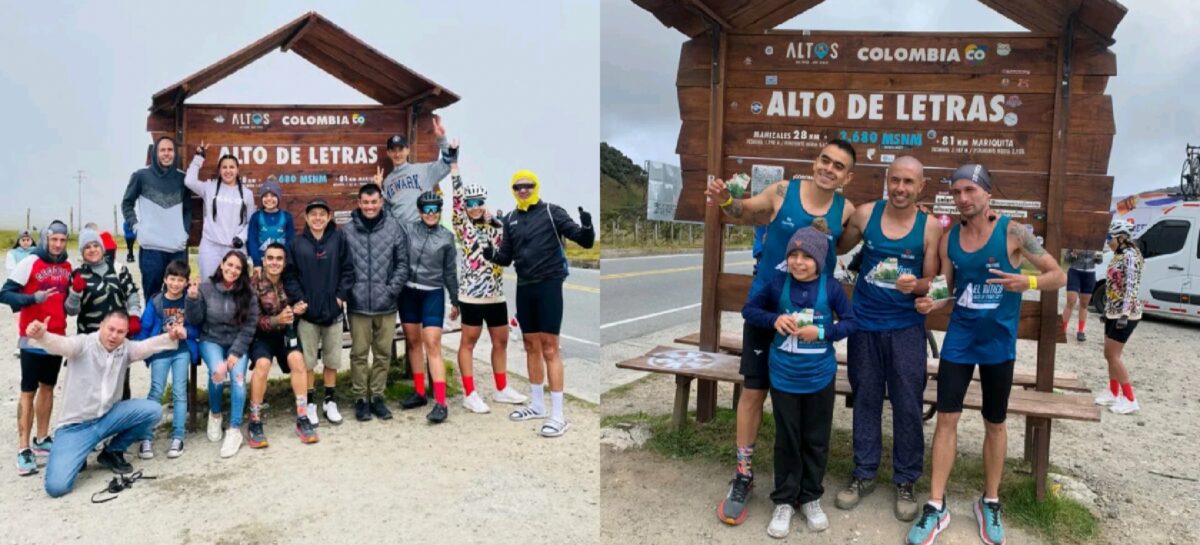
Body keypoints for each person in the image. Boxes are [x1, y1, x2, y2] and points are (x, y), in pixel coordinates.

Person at [905, 164, 1065, 545]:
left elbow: (1056, 275)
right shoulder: (949, 240)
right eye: (957, 192)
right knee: (947, 420)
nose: (963, 198)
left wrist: (1024, 281)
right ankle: (935, 505)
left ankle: (990, 501)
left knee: (995, 423)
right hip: (960, 341)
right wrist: (931, 302)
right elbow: (948, 287)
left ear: (987, 194)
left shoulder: (1013, 232)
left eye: (969, 191)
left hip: (997, 345)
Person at [705, 140, 858, 525]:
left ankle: (803, 491)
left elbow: (850, 244)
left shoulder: (847, 210)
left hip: (812, 319)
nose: (828, 168)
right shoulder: (782, 191)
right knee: (754, 392)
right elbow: (742, 211)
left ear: (847, 176)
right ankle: (743, 474)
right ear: (815, 160)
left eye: (838, 166)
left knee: (805, 409)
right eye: (825, 159)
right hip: (768, 305)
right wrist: (725, 200)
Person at [832, 156, 941, 521]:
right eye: (895, 180)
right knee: (865, 399)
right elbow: (833, 244)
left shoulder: (929, 228)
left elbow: (934, 283)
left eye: (909, 182)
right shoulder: (865, 215)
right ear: (886, 180)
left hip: (907, 329)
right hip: (864, 325)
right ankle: (863, 474)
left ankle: (906, 480)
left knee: (908, 404)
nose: (900, 188)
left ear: (920, 186)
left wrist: (919, 287)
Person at [742, 222, 857, 538]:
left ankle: (810, 497)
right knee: (787, 439)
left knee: (816, 439)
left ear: (819, 260)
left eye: (807, 256)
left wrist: (821, 332)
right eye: (793, 254)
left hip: (820, 376)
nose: (798, 261)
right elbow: (749, 310)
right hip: (784, 376)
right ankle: (784, 500)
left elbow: (850, 323)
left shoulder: (830, 288)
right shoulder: (778, 284)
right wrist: (774, 318)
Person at [481, 169, 595, 437]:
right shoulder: (510, 219)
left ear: (536, 186)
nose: (523, 190)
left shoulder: (552, 212)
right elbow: (507, 258)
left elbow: (585, 241)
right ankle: (537, 404)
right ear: (513, 190)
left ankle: (558, 415)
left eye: (528, 186)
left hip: (549, 285)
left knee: (550, 348)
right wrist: (492, 255)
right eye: (518, 187)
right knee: (530, 344)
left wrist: (588, 226)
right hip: (524, 287)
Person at [32, 310, 186, 498]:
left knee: (152, 411)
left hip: (108, 417)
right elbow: (62, 345)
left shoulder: (126, 348)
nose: (114, 336)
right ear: (101, 326)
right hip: (75, 426)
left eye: (120, 332)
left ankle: (112, 451)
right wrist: (43, 336)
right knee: (57, 487)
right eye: (110, 329)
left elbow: (147, 346)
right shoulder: (83, 344)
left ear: (126, 333)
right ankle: (80, 451)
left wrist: (170, 336)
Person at [373, 116, 458, 388]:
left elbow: (447, 163)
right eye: (393, 149)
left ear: (407, 150)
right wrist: (378, 190)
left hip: (427, 238)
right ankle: (420, 389)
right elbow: (385, 213)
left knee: (430, 334)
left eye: (401, 148)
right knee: (411, 328)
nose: (397, 153)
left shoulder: (423, 171)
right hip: (402, 245)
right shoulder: (387, 183)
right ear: (389, 153)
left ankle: (437, 388)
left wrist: (441, 138)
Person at [451, 165, 527, 413]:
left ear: (485, 202)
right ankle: (469, 393)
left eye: (478, 201)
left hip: (495, 294)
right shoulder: (462, 225)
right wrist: (455, 168)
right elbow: (456, 198)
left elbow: (508, 245)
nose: (474, 206)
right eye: (470, 202)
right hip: (471, 295)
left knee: (501, 341)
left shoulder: (497, 226)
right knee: (469, 342)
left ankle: (501, 388)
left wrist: (494, 220)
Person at [1, 220, 72, 476]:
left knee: (48, 387)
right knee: (28, 390)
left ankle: (42, 439)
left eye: (63, 240)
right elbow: (5, 293)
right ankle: (23, 449)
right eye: (54, 239)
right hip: (31, 338)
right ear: (45, 239)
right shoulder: (31, 261)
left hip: (56, 337)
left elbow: (68, 301)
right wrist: (31, 298)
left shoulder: (67, 265)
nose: (58, 244)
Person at [285, 198, 353, 427]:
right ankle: (311, 402)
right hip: (307, 314)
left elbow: (348, 270)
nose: (317, 218)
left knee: (332, 360)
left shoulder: (338, 239)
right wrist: (299, 300)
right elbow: (290, 277)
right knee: (308, 362)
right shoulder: (297, 244)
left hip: (333, 312)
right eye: (313, 214)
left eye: (322, 214)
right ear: (306, 217)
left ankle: (330, 401)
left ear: (329, 216)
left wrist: (340, 296)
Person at [343, 183, 408, 422]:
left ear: (381, 202)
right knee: (359, 353)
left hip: (387, 304)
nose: (370, 207)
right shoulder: (348, 231)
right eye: (365, 202)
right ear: (359, 203)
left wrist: (391, 290)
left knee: (382, 354)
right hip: (358, 304)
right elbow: (343, 266)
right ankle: (360, 398)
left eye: (374, 202)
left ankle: (378, 397)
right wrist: (350, 291)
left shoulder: (394, 228)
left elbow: (403, 263)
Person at [186, 250, 260, 458]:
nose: (233, 270)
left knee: (238, 379)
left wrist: (236, 353)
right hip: (212, 340)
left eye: (238, 268)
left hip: (237, 342)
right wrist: (192, 299)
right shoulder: (206, 288)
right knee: (218, 374)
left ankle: (234, 429)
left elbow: (250, 326)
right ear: (221, 263)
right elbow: (195, 320)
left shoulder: (248, 293)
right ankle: (215, 414)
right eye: (230, 265)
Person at [247, 243, 319, 446]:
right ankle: (254, 420)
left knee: (298, 360)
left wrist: (297, 309)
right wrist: (277, 320)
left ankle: (302, 417)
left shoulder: (290, 282)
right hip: (261, 335)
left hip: (286, 334)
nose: (274, 263)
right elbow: (253, 320)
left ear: (284, 262)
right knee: (262, 364)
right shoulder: (253, 284)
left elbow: (295, 307)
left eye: (279, 259)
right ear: (263, 260)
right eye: (270, 258)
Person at [397, 191, 459, 423]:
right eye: (426, 210)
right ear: (420, 211)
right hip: (408, 292)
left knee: (432, 343)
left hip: (432, 292)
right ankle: (420, 393)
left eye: (435, 210)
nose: (431, 214)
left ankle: (441, 402)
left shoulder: (446, 237)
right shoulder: (408, 230)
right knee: (413, 342)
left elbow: (450, 272)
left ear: (440, 211)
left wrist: (455, 299)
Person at [65, 228, 144, 401]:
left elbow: (132, 295)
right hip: (91, 341)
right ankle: (95, 425)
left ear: (102, 248)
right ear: (82, 252)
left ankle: (122, 424)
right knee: (94, 388)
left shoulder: (118, 270)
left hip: (118, 339)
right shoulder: (77, 275)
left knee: (121, 386)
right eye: (87, 247)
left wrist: (134, 316)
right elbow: (72, 310)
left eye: (95, 245)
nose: (92, 250)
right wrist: (75, 292)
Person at [134, 259, 199, 459]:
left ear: (186, 282)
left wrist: (185, 331)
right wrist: (140, 348)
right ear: (165, 279)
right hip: (159, 352)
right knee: (155, 391)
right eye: (172, 279)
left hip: (181, 351)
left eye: (180, 280)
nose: (176, 284)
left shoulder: (189, 301)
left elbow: (198, 326)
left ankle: (178, 435)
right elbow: (145, 327)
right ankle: (146, 436)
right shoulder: (156, 301)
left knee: (180, 392)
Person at [122, 136, 190, 299]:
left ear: (175, 153)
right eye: (162, 150)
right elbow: (127, 203)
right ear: (155, 153)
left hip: (176, 248)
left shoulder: (182, 178)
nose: (167, 154)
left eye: (170, 150)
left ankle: (174, 326)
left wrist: (185, 233)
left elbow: (188, 209)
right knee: (152, 296)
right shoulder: (141, 176)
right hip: (151, 249)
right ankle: (152, 326)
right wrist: (136, 227)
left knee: (179, 296)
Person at [185, 141, 257, 280]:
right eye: (224, 167)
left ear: (237, 170)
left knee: (236, 290)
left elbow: (250, 221)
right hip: (210, 247)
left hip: (235, 248)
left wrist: (241, 238)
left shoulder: (247, 194)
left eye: (231, 167)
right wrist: (199, 157)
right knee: (208, 286)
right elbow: (189, 181)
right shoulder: (209, 188)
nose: (228, 171)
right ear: (219, 170)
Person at [1094, 221, 1144, 414]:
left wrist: (1124, 313)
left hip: (1126, 313)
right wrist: (1108, 311)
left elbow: (1131, 285)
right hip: (1113, 311)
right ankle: (1113, 392)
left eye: (1110, 238)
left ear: (1121, 237)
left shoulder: (1131, 256)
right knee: (1108, 354)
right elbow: (1111, 285)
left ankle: (1130, 398)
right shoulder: (1118, 255)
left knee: (1114, 356)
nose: (1107, 242)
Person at [246, 178, 295, 275]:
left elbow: (290, 241)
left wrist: (286, 261)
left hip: (280, 263)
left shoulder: (286, 217)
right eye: (265, 196)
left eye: (273, 195)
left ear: (278, 197)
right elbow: (252, 241)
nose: (269, 199)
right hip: (261, 264)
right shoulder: (256, 217)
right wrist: (257, 263)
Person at [1063, 248, 1101, 341]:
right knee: (1071, 301)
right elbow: (1066, 259)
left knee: (1084, 304)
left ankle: (1080, 331)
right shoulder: (1076, 240)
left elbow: (1099, 261)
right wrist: (1074, 253)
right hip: (1075, 272)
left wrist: (1097, 255)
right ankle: (1062, 329)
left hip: (1089, 274)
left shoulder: (1096, 242)